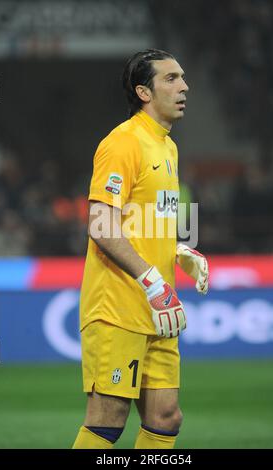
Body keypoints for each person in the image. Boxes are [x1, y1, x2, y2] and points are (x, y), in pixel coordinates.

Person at [73, 49, 209, 450]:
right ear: (143, 92)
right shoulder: (122, 143)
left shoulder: (167, 147)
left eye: (182, 77)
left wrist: (178, 250)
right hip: (119, 304)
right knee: (107, 420)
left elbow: (144, 221)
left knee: (165, 418)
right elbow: (101, 225)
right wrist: (150, 278)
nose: (184, 86)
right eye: (171, 79)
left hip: (160, 306)